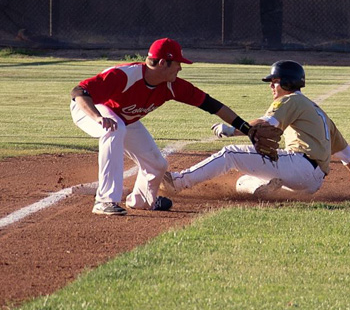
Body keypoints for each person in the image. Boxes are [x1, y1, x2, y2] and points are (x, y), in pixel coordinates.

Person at [70, 38, 255, 216]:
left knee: (157, 165)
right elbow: (79, 92)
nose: (180, 68)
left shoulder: (171, 86)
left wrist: (247, 129)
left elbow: (212, 105)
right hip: (89, 109)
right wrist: (97, 117)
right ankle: (105, 201)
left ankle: (141, 201)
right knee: (115, 128)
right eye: (177, 63)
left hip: (123, 119)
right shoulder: (125, 76)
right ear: (162, 63)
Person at [161, 60, 350, 200]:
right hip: (312, 182)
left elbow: (265, 125)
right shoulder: (320, 114)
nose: (271, 86)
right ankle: (265, 188)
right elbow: (347, 154)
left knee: (230, 154)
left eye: (274, 82)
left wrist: (230, 129)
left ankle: (178, 182)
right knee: (242, 182)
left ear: (285, 83)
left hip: (299, 165)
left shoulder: (289, 100)